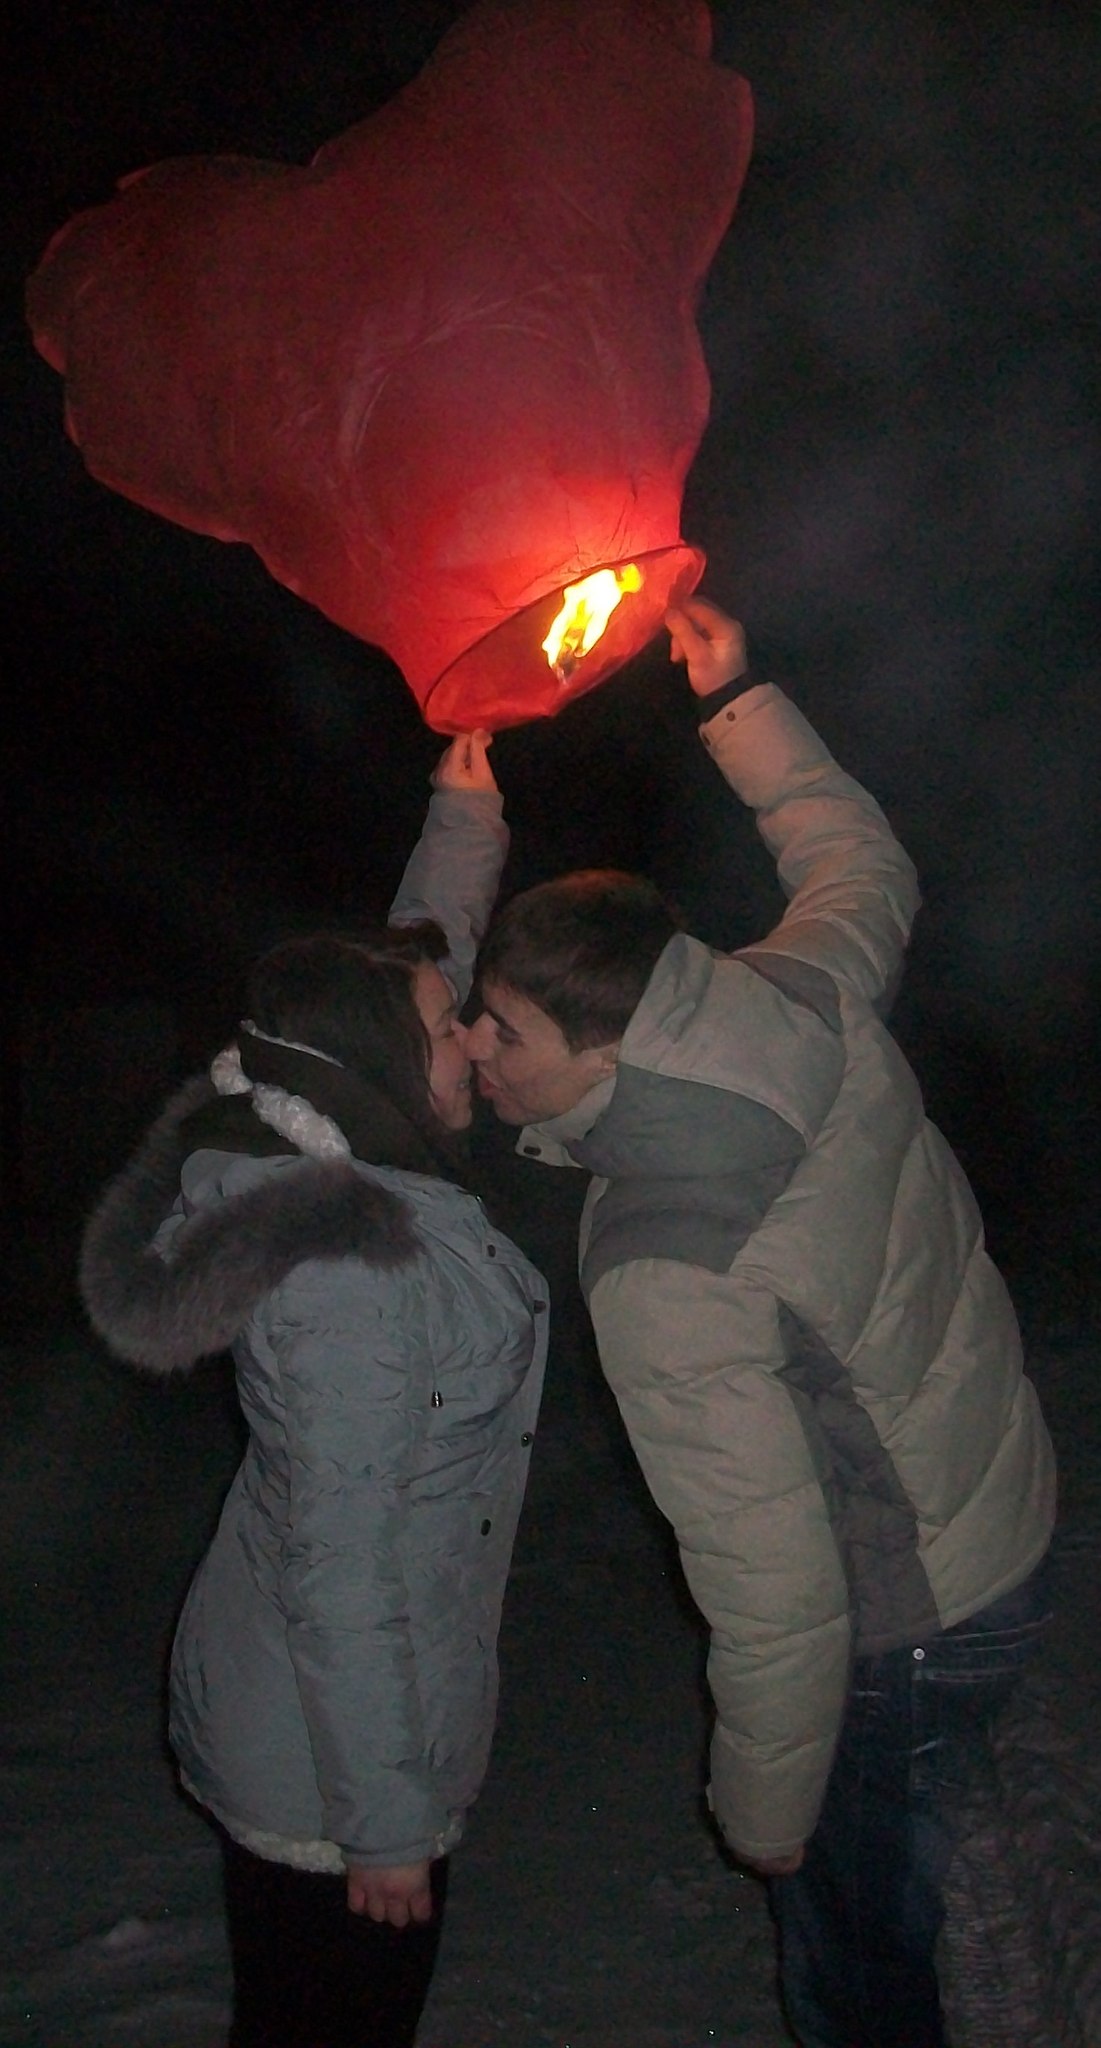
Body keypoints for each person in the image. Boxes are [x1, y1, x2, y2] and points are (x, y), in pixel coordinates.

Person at [398, 598, 1057, 2048]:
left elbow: (775, 1591)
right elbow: (859, 861)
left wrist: (763, 1816)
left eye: (503, 1029)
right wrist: (738, 699)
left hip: (898, 1627)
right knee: (927, 1895)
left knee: (855, 1969)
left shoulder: (667, 1266)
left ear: (605, 1050)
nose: (470, 1045)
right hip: (994, 1516)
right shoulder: (799, 990)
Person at [79, 733, 548, 2048]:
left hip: (310, 1717)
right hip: (329, 1770)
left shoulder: (318, 1108)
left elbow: (407, 973)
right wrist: (384, 1830)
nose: (472, 1035)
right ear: (378, 1068)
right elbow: (338, 1568)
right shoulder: (347, 1272)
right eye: (447, 1030)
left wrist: (464, 811)